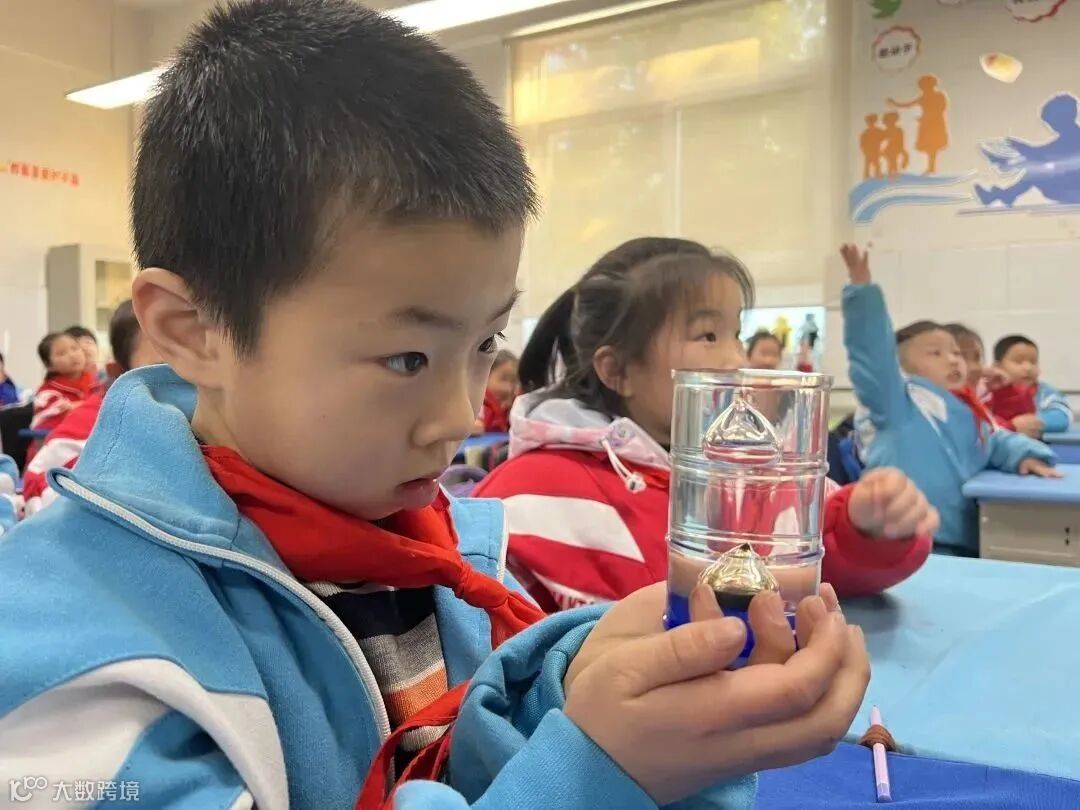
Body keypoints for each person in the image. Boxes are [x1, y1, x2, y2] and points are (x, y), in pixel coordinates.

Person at [0, 4, 868, 809]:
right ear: (194, 331)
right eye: (407, 357)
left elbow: (461, 767)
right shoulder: (76, 663)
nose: (459, 417)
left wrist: (578, 687)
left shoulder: (436, 554)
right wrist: (595, 774)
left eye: (485, 342)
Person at [475, 238, 937, 611]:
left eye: (736, 334)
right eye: (708, 336)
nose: (737, 359)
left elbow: (810, 570)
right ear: (618, 370)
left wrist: (864, 526)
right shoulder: (529, 498)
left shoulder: (749, 466)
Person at [840, 244, 1057, 557]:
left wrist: (1024, 455)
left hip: (958, 539)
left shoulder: (964, 410)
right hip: (903, 542)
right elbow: (872, 354)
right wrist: (863, 293)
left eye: (956, 353)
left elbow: (995, 441)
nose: (954, 360)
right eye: (936, 353)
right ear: (900, 367)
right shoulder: (897, 403)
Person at [22, 301, 162, 515]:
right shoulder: (99, 414)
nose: (74, 355)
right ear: (120, 373)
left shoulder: (92, 384)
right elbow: (43, 481)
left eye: (75, 349)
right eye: (166, 368)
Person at [988, 334, 1073, 438]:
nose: (1028, 368)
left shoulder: (1046, 393)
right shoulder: (988, 392)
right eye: (1019, 361)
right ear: (997, 367)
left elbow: (1063, 416)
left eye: (1033, 362)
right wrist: (1010, 425)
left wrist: (1033, 422)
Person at [30, 331, 96, 432]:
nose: (72, 355)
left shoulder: (96, 384)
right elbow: (45, 422)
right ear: (49, 365)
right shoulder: (47, 394)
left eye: (75, 348)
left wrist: (76, 406)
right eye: (62, 353)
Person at [888, 74, 949, 175]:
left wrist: (926, 117)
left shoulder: (939, 96)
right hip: (928, 124)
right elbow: (908, 104)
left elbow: (941, 108)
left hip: (934, 124)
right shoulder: (925, 97)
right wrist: (895, 103)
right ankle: (931, 168)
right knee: (930, 147)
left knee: (932, 146)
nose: (922, 89)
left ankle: (931, 168)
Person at [477, 349, 518, 433]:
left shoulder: (513, 406)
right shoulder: (479, 403)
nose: (508, 388)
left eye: (513, 381)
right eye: (504, 379)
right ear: (486, 376)